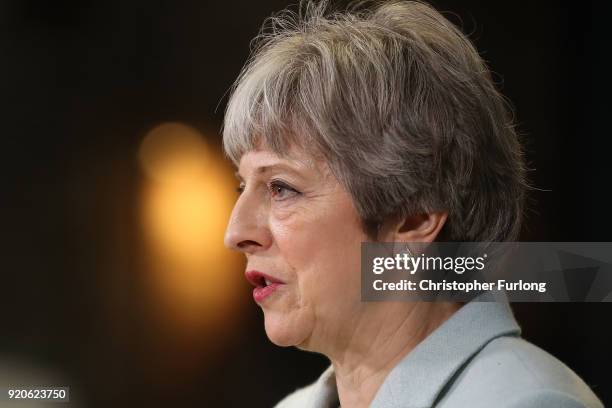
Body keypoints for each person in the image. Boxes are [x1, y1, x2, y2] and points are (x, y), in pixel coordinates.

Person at [222, 1, 604, 407]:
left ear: (415, 216)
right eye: (242, 187)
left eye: (281, 187)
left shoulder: (527, 401)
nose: (235, 233)